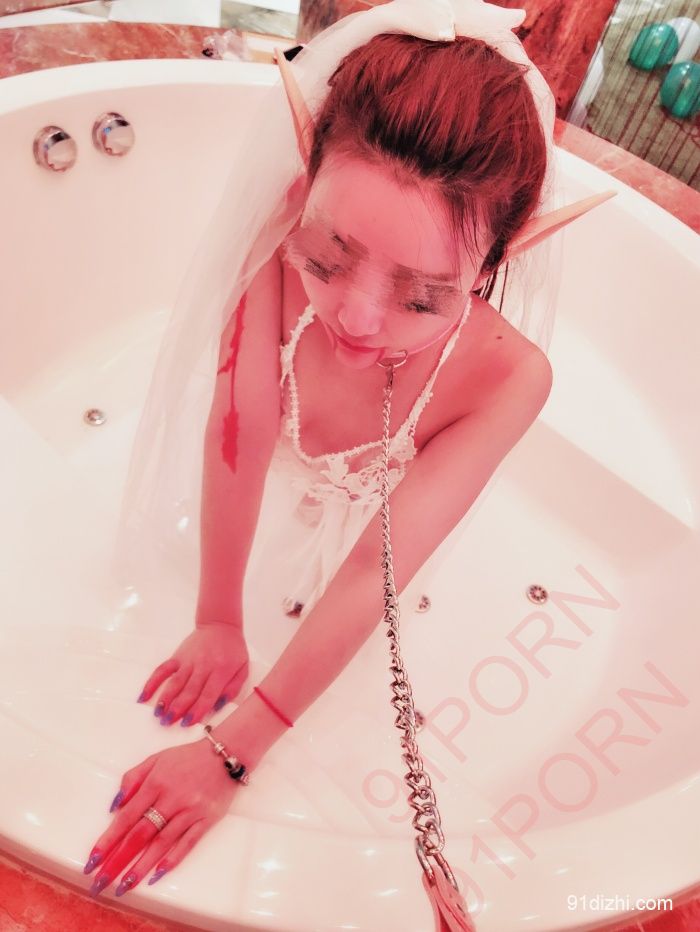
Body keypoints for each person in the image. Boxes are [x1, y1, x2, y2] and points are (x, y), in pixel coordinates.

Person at [82, 0, 615, 913]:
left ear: (492, 267)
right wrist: (218, 617)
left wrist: (234, 750)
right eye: (329, 257)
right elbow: (237, 431)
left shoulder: (509, 381)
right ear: (303, 191)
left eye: (423, 296)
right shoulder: (273, 238)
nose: (358, 320)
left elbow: (377, 567)